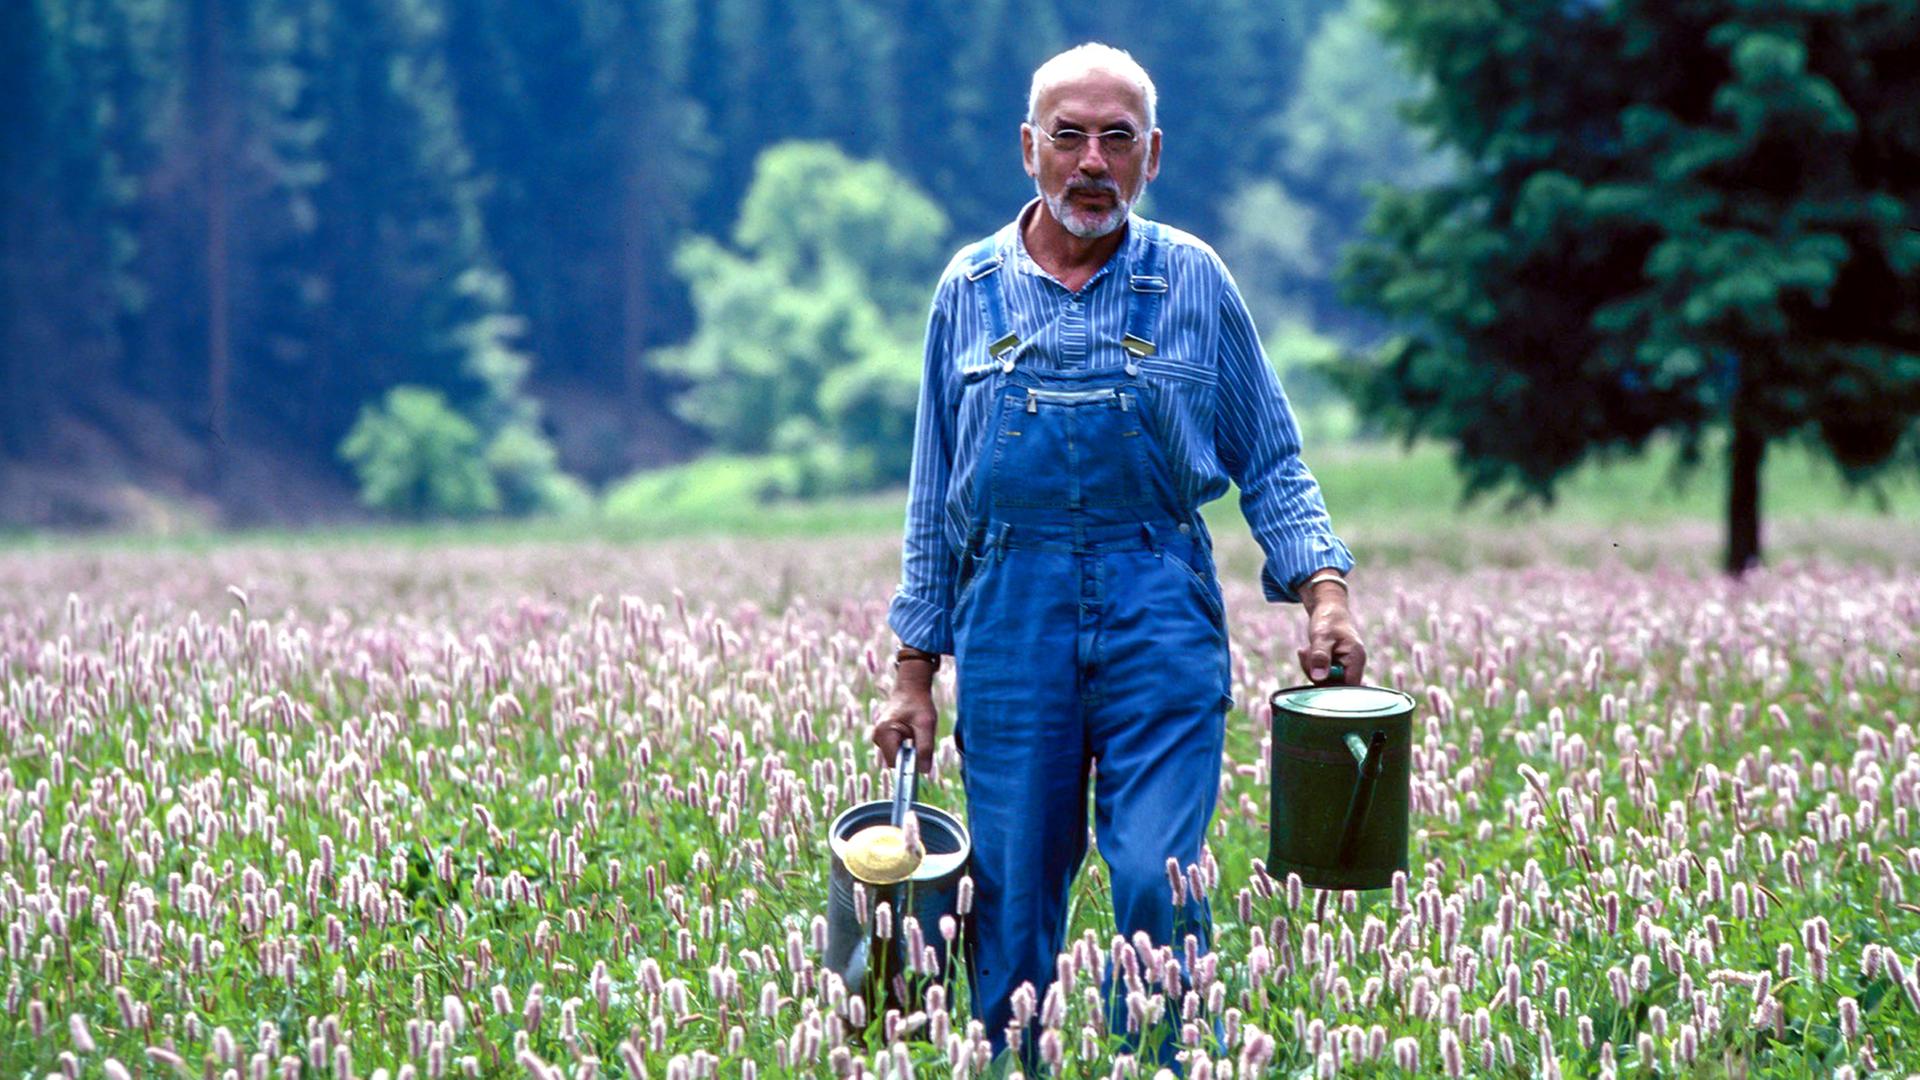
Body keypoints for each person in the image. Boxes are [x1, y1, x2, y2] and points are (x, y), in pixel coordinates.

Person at [869, 42, 1366, 1070]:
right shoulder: (967, 291)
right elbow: (934, 502)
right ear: (1028, 149)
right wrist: (913, 672)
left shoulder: (1195, 280)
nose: (1091, 160)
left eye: (1116, 139)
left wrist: (1325, 593)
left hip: (1159, 605)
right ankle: (1014, 1062)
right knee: (1005, 894)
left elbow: (1270, 456)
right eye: (1068, 136)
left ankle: (1167, 1062)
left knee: (1158, 878)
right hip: (1009, 616)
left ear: (1153, 156)